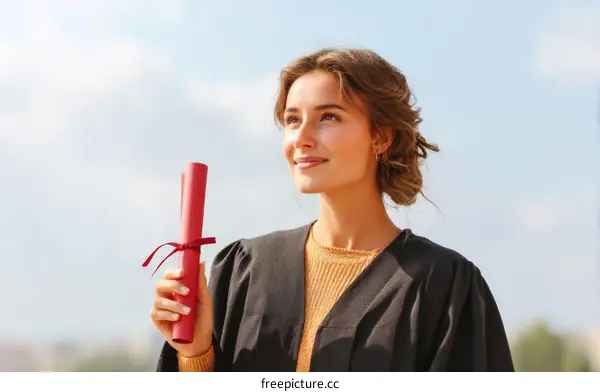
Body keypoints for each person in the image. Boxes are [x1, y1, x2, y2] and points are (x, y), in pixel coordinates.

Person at [149, 47, 515, 372]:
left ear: (380, 137)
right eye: (293, 120)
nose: (302, 138)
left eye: (328, 117)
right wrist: (195, 354)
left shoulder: (444, 287)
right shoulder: (244, 268)